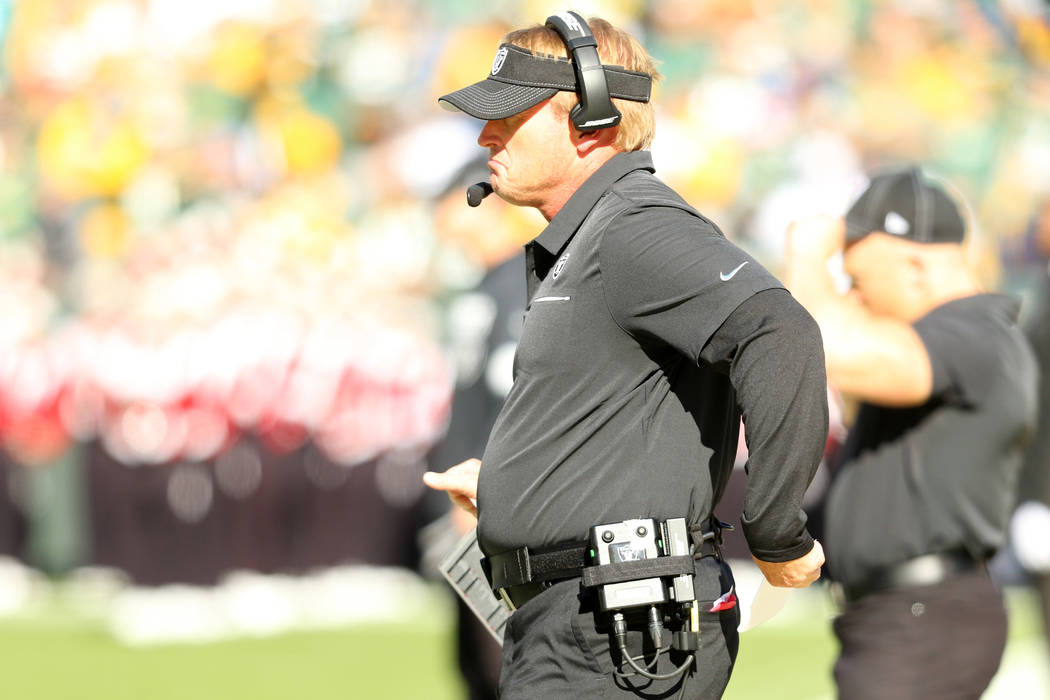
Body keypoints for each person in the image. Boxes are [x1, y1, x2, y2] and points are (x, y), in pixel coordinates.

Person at [424, 13, 828, 699]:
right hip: (581, 624)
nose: (486, 134)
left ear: (592, 119)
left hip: (615, 628)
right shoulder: (594, 238)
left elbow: (780, 331)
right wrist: (514, 488)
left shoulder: (633, 227)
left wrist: (778, 533)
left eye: (511, 116)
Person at [784, 167, 1039, 699]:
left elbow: (833, 348)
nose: (853, 297)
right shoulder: (956, 339)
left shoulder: (972, 332)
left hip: (924, 614)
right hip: (912, 617)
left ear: (916, 265)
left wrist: (807, 258)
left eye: (860, 280)